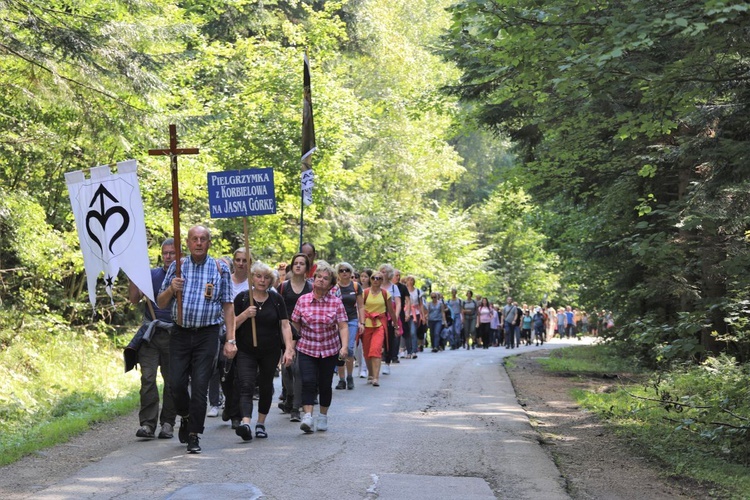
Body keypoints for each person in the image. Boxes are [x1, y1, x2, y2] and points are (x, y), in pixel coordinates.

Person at [157, 225, 236, 454]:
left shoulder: (219, 269)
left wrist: (230, 340)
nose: (199, 243)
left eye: (203, 239)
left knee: (201, 386)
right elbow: (161, 303)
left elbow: (228, 306)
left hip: (207, 334)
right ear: (188, 243)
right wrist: (172, 289)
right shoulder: (177, 267)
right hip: (180, 333)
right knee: (176, 384)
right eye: (194, 239)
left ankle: (194, 434)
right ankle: (187, 415)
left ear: (209, 243)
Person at [233, 262, 294, 441]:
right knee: (246, 385)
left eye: (266, 277)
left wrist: (289, 349)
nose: (262, 280)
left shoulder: (276, 300)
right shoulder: (242, 299)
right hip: (246, 349)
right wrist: (245, 315)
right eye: (258, 276)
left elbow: (285, 325)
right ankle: (245, 423)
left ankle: (260, 423)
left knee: (266, 386)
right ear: (252, 278)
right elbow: (232, 325)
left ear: (271, 281)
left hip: (270, 350)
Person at [127, 238, 177, 440]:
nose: (168, 257)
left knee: (172, 381)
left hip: (174, 335)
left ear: (179, 255)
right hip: (150, 334)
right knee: (147, 379)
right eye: (165, 253)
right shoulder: (151, 275)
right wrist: (133, 275)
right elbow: (133, 299)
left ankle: (168, 423)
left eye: (172, 253)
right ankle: (148, 424)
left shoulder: (185, 276)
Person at [290, 261, 349, 433]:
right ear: (313, 279)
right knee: (307, 381)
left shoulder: (336, 302)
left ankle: (323, 416)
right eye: (319, 277)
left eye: (326, 278)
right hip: (307, 347)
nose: (321, 280)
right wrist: (291, 347)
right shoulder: (303, 300)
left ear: (331, 284)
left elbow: (343, 326)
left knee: (325, 384)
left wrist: (344, 347)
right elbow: (295, 325)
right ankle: (307, 416)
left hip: (329, 349)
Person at [277, 253, 313, 422]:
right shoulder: (283, 287)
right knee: (286, 367)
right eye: (296, 263)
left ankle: (295, 407)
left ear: (307, 267)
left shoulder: (311, 288)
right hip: (286, 331)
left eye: (302, 263)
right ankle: (290, 394)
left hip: (305, 332)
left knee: (298, 369)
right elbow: (276, 307)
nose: (298, 266)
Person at [360, 269, 398, 386]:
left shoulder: (385, 294)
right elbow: (359, 308)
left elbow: (391, 311)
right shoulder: (364, 293)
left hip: (380, 325)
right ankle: (370, 374)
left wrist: (396, 325)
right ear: (370, 280)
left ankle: (376, 378)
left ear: (382, 281)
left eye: (379, 278)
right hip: (366, 324)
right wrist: (360, 323)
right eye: (374, 278)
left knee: (375, 350)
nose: (376, 280)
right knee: (367, 352)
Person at [334, 262, 364, 390]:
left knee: (349, 348)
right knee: (339, 350)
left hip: (351, 320)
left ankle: (350, 376)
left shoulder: (356, 286)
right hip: (337, 321)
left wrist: (362, 322)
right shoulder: (334, 288)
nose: (344, 272)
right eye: (341, 270)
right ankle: (341, 379)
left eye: (347, 270)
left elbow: (361, 306)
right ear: (338, 273)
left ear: (351, 272)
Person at [355, 269, 373, 379]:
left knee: (365, 346)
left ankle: (364, 369)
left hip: (370, 319)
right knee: (357, 346)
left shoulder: (372, 290)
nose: (363, 278)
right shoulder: (357, 289)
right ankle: (361, 365)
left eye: (365, 276)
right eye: (362, 276)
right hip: (357, 318)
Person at [404, 275, 426, 358]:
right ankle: (408, 351)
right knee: (407, 333)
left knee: (413, 332)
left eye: (412, 280)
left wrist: (423, 316)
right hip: (406, 312)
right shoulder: (404, 290)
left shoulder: (418, 291)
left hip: (415, 313)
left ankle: (414, 351)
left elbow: (421, 304)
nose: (410, 281)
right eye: (408, 280)